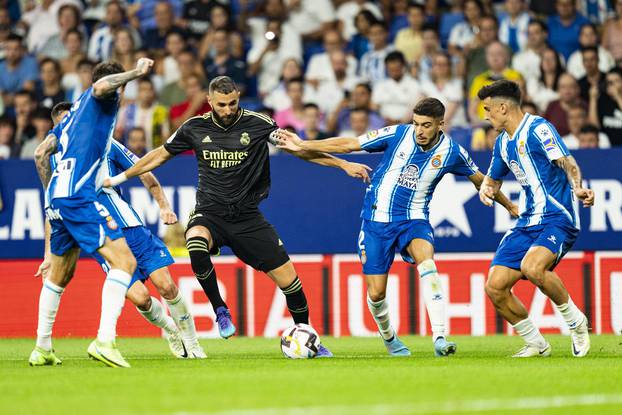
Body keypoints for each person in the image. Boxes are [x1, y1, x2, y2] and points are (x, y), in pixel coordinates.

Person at [103, 76, 372, 356]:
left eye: (233, 103)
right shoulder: (194, 127)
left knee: (290, 283)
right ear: (209, 102)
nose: (228, 109)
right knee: (195, 241)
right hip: (209, 214)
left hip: (247, 218)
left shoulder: (259, 124)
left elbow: (300, 151)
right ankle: (220, 309)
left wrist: (342, 164)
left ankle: (307, 336)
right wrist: (120, 178)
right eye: (222, 104)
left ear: (238, 98)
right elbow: (158, 155)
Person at [274, 97, 517, 357]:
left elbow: (481, 180)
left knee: (428, 263)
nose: (419, 131)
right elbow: (349, 144)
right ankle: (390, 339)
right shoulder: (398, 133)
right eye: (416, 124)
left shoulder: (452, 152)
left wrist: (509, 206)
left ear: (441, 124)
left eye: (426, 125)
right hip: (376, 221)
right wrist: (302, 143)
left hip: (414, 220)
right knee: (377, 293)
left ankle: (440, 336)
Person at [34, 102, 206, 359]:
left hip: (131, 228)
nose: (68, 128)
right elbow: (52, 211)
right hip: (105, 238)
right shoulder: (55, 164)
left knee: (167, 287)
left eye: (71, 121)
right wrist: (49, 254)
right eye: (61, 125)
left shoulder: (105, 145)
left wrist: (163, 205)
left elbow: (143, 169)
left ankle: (192, 343)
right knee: (141, 299)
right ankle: (170, 329)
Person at [28, 58, 154, 369]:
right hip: (78, 196)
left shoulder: (70, 118)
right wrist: (136, 73)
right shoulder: (102, 96)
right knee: (124, 261)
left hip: (57, 197)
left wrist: (51, 194)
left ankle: (42, 347)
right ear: (119, 85)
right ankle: (105, 340)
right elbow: (100, 85)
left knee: (60, 275)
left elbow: (40, 152)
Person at [477, 80, 593, 358]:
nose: (485, 115)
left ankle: (577, 323)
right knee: (495, 286)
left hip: (557, 217)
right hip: (527, 221)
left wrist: (577, 186)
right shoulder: (503, 143)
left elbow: (567, 161)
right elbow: (493, 180)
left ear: (503, 107)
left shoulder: (538, 129)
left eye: (488, 109)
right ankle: (536, 343)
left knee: (533, 267)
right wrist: (487, 189)